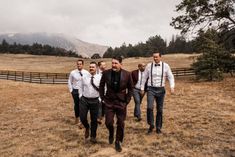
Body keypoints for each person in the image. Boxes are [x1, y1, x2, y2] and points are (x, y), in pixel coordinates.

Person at [99, 56, 133, 152]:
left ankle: (118, 141)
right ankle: (111, 132)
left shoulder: (127, 74)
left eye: (116, 63)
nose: (113, 65)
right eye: (112, 63)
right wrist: (102, 98)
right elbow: (101, 86)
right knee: (108, 122)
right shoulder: (106, 73)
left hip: (121, 102)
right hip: (109, 101)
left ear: (121, 64)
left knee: (121, 123)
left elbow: (130, 88)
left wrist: (127, 100)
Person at [140, 52, 175, 134]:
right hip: (150, 89)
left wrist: (172, 87)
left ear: (160, 57)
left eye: (156, 57)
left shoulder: (166, 66)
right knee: (149, 107)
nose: (155, 58)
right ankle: (151, 124)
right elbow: (144, 77)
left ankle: (158, 127)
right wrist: (142, 88)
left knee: (159, 110)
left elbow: (170, 76)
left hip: (161, 89)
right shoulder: (149, 66)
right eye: (154, 57)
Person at [78, 62, 101, 143]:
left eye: (93, 67)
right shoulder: (84, 77)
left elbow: (103, 89)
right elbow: (80, 86)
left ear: (97, 68)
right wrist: (80, 96)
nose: (91, 68)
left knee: (94, 120)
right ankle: (87, 127)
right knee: (82, 117)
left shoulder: (100, 78)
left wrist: (100, 99)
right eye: (90, 67)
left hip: (95, 100)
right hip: (84, 100)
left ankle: (93, 136)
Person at [68, 59, 89, 125]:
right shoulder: (73, 72)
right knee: (76, 105)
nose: (79, 65)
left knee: (83, 106)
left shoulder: (86, 72)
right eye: (78, 64)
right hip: (75, 91)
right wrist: (71, 90)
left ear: (83, 65)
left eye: (80, 64)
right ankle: (77, 118)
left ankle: (82, 120)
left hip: (83, 91)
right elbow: (69, 81)